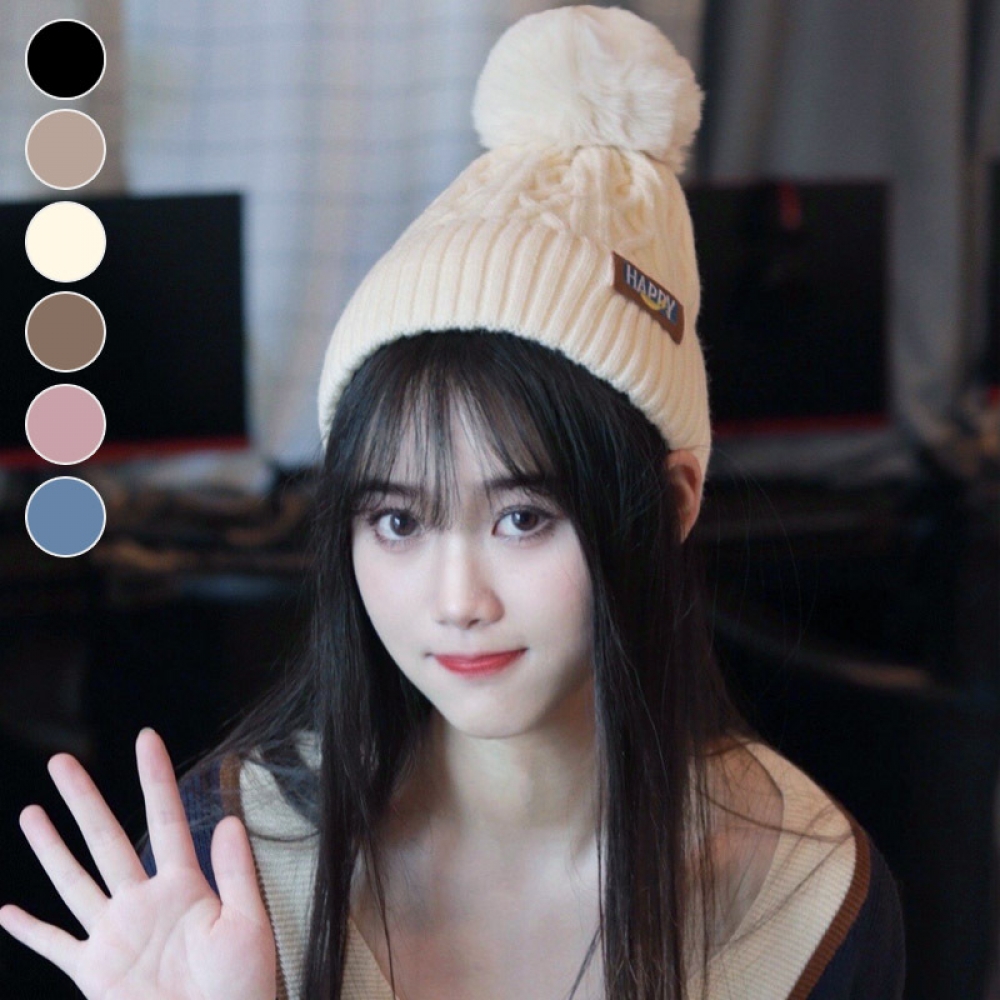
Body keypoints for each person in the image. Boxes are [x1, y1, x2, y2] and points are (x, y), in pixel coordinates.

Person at [0, 7, 906, 1000]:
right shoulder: (230, 869)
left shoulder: (804, 895)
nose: (456, 600)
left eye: (523, 518)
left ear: (672, 499)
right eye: (398, 521)